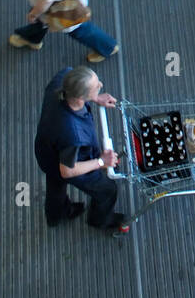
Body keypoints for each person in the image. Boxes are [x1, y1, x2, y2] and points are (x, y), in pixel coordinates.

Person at [33, 66, 128, 231]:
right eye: (96, 87)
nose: (101, 84)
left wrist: (95, 98)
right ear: (80, 98)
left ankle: (57, 214)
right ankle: (100, 220)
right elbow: (68, 171)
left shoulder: (62, 78)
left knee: (55, 183)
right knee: (107, 190)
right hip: (67, 161)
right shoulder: (73, 134)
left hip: (47, 150)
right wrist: (101, 161)